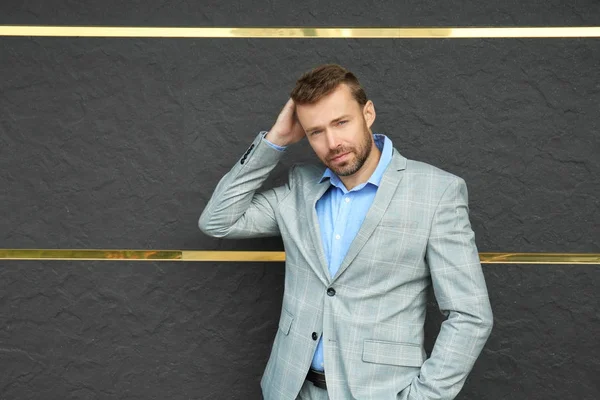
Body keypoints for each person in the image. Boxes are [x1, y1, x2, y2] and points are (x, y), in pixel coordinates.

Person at [199, 64, 493, 400]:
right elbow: (218, 220)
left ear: (368, 113)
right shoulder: (300, 188)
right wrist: (275, 140)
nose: (333, 142)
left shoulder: (436, 192)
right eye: (316, 132)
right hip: (291, 390)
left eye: (341, 122)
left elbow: (470, 315)